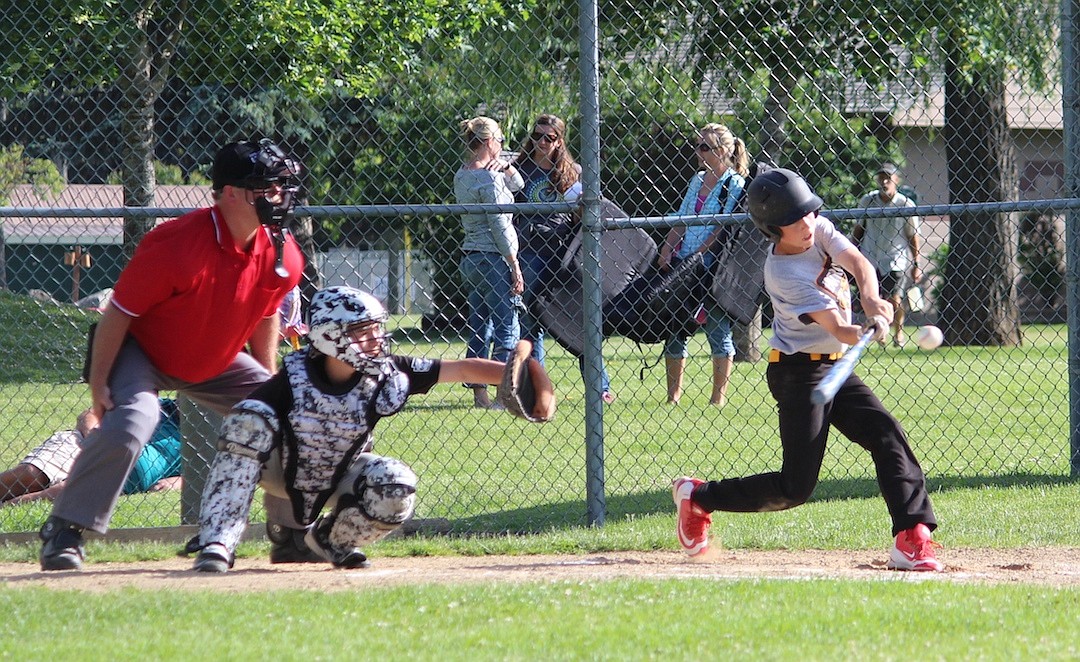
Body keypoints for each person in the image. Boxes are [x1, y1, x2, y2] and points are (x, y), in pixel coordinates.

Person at [37, 138, 305, 571]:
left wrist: (268, 380)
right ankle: (66, 529)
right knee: (132, 420)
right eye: (267, 187)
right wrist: (99, 384)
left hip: (212, 359)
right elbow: (117, 315)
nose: (279, 196)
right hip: (142, 351)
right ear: (231, 193)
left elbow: (266, 313)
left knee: (288, 415)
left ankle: (290, 533)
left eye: (281, 186)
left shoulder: (282, 251)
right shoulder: (176, 243)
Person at [672, 167, 943, 572]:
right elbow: (836, 327)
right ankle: (698, 498)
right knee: (795, 487)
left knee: (886, 433)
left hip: (834, 368)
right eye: (796, 220)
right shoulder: (782, 274)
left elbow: (859, 264)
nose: (809, 222)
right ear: (774, 229)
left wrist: (872, 302)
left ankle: (912, 535)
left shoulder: (818, 229)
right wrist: (865, 327)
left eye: (811, 212)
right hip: (797, 375)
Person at [188, 286, 524, 573]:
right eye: (363, 331)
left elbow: (460, 368)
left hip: (340, 472)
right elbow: (248, 428)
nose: (375, 339)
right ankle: (218, 539)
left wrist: (517, 377)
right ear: (329, 336)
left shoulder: (387, 372)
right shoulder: (294, 376)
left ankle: (333, 540)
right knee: (247, 421)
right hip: (279, 470)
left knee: (397, 484)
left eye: (376, 329)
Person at [513, 113, 614, 403]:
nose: (541, 142)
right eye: (537, 135)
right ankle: (537, 389)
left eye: (549, 137)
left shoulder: (574, 172)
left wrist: (582, 206)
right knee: (531, 323)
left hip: (564, 254)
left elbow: (587, 215)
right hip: (529, 252)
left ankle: (600, 387)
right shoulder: (519, 170)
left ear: (560, 141)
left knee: (582, 322)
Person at [658, 123, 748, 406]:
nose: (698, 151)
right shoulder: (697, 180)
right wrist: (667, 248)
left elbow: (723, 229)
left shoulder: (734, 184)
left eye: (704, 147)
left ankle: (717, 398)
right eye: (698, 145)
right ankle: (673, 397)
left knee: (717, 328)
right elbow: (683, 218)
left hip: (711, 267)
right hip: (684, 264)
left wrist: (699, 253)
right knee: (674, 328)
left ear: (722, 151)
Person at [454, 116, 525, 409]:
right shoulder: (489, 178)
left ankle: (479, 396)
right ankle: (501, 394)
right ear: (488, 142)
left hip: (471, 258)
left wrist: (507, 167)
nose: (503, 146)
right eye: (500, 141)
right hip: (495, 259)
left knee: (479, 328)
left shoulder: (462, 174)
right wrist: (514, 265)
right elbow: (500, 225)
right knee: (508, 327)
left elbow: (518, 184)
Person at [0, 399, 182, 505]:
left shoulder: (204, 439)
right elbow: (91, 413)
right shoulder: (156, 405)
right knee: (29, 476)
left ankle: (7, 508)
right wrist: (95, 437)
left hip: (120, 476)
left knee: (63, 493)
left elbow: (203, 473)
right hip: (84, 445)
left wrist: (179, 482)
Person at [851, 162, 922, 347]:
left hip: (895, 259)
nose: (884, 181)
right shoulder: (868, 201)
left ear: (896, 180)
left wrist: (917, 264)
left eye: (888, 178)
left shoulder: (905, 204)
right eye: (881, 177)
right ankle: (879, 333)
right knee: (872, 298)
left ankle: (898, 333)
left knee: (895, 298)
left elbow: (913, 237)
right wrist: (851, 254)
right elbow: (858, 229)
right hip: (870, 257)